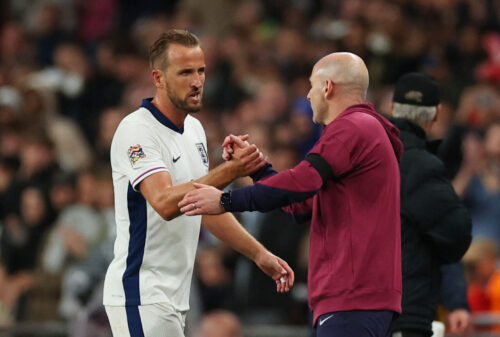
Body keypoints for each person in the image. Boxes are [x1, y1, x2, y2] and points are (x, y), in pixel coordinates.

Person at [179, 52, 404, 337]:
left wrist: (225, 201)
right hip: (355, 296)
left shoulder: (352, 127)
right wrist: (257, 167)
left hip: (353, 295)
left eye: (311, 86)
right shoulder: (363, 130)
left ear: (328, 87)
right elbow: (300, 205)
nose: (308, 95)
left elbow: (302, 180)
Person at [102, 29, 294, 337]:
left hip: (175, 298)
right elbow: (165, 202)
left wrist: (259, 254)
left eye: (201, 70)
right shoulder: (136, 131)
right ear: (158, 78)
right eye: (185, 72)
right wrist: (230, 171)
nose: (197, 81)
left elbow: (203, 205)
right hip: (141, 293)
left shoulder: (194, 129)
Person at [387, 73, 472, 337]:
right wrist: (456, 299)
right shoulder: (419, 165)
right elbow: (454, 236)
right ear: (436, 115)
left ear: (391, 108)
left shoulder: (360, 154)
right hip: (403, 309)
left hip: (347, 307)